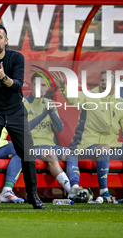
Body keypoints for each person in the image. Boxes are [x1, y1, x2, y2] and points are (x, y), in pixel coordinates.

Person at [0, 23, 45, 209]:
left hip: (15, 111)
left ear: (6, 40)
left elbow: (18, 86)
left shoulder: (16, 58)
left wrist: (3, 77)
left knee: (27, 152)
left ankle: (33, 195)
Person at [55, 70, 123, 202]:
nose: (104, 83)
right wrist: (64, 88)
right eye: (102, 80)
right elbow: (75, 98)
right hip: (86, 147)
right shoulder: (90, 96)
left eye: (108, 81)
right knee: (104, 148)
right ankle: (103, 191)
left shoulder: (121, 104)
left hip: (111, 147)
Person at [23, 72, 91, 202]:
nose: (40, 88)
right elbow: (26, 128)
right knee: (51, 155)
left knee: (71, 154)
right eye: (37, 85)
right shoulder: (23, 102)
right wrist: (44, 114)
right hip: (32, 146)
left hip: (50, 145)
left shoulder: (50, 103)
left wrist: (52, 112)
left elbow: (59, 128)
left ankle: (76, 186)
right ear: (31, 85)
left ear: (47, 88)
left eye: (43, 85)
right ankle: (71, 191)